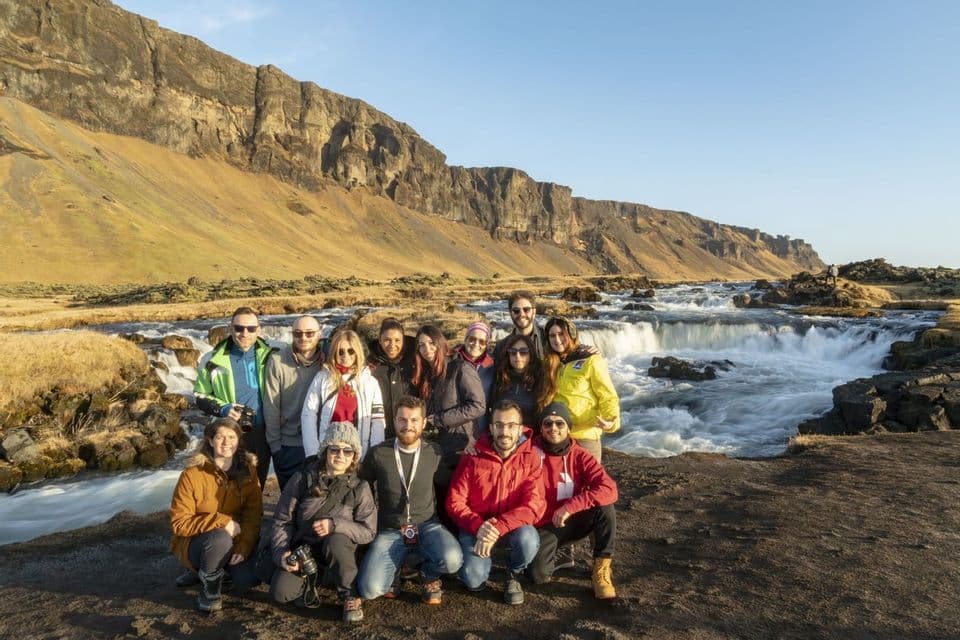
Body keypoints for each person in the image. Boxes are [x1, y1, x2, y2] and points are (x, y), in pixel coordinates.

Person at [265, 422, 376, 623]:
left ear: (354, 456)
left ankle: (349, 593)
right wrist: (281, 553)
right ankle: (315, 579)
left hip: (338, 551)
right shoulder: (302, 479)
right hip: (305, 550)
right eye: (334, 449)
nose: (340, 455)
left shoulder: (360, 487)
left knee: (336, 540)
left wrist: (335, 525)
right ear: (325, 451)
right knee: (280, 592)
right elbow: (282, 521)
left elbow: (368, 531)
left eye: (348, 450)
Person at [358, 396, 463, 605]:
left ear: (423, 423)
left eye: (415, 420)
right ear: (394, 421)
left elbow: (450, 483)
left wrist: (473, 463)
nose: (408, 426)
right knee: (370, 589)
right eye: (402, 420)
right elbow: (362, 487)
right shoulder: (379, 453)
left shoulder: (434, 452)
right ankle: (395, 570)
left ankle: (428, 573)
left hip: (427, 526)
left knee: (453, 561)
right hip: (391, 530)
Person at [446, 400, 545, 605]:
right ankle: (481, 564)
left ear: (520, 428)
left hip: (510, 526)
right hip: (476, 525)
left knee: (529, 540)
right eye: (499, 425)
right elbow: (454, 502)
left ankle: (513, 572)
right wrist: (478, 526)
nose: (504, 431)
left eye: (511, 426)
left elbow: (533, 505)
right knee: (473, 579)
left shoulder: (531, 458)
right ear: (491, 427)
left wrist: (497, 527)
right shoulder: (473, 456)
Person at [170, 417, 262, 612]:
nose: (226, 442)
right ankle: (209, 589)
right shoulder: (192, 474)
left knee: (247, 580)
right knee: (220, 538)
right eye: (220, 437)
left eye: (231, 437)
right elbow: (179, 523)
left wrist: (244, 547)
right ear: (210, 441)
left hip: (236, 539)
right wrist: (221, 521)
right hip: (197, 543)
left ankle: (215, 570)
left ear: (239, 441)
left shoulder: (249, 471)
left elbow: (253, 515)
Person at [529, 402, 619, 599]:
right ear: (541, 427)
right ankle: (558, 551)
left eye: (560, 424)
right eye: (548, 423)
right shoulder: (528, 451)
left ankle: (601, 567)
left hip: (573, 518)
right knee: (538, 576)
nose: (553, 428)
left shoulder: (580, 455)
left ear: (568, 428)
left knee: (604, 508)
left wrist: (571, 506)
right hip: (544, 524)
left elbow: (609, 488)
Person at [194, 306, 276, 489]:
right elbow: (199, 395)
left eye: (251, 328)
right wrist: (224, 409)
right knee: (226, 482)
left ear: (259, 329)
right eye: (239, 328)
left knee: (257, 482)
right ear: (231, 328)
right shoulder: (212, 359)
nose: (244, 333)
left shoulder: (272, 354)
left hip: (263, 431)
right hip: (228, 433)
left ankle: (253, 516)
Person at [540, 316, 620, 462]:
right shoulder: (549, 362)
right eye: (552, 335)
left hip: (585, 435)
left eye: (561, 334)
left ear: (572, 335)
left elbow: (607, 395)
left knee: (588, 482)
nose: (557, 340)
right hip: (556, 434)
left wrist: (611, 421)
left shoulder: (590, 360)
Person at [301, 329, 385, 458]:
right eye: (340, 352)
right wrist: (313, 453)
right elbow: (308, 414)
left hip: (358, 453)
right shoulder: (322, 378)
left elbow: (378, 421)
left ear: (357, 352)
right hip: (330, 452)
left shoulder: (370, 382)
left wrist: (374, 456)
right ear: (334, 353)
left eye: (350, 351)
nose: (345, 356)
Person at [264, 315, 325, 491]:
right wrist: (276, 448)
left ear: (319, 334)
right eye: (298, 333)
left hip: (320, 442)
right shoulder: (277, 361)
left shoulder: (329, 360)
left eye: (309, 333)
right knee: (289, 503)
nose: (303, 338)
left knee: (316, 502)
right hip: (289, 444)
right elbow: (271, 406)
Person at [411, 325, 485, 468]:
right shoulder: (427, 374)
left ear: (440, 342)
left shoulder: (460, 368)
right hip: (436, 446)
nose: (427, 349)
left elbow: (478, 405)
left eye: (432, 343)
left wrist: (440, 419)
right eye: (421, 345)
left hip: (459, 445)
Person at [367, 318, 417, 439]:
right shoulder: (370, 364)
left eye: (397, 340)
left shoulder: (415, 360)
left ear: (403, 340)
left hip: (411, 431)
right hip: (379, 432)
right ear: (380, 340)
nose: (392, 345)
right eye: (387, 340)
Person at [489, 333, 542, 426]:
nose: (517, 356)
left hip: (530, 434)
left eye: (523, 352)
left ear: (531, 354)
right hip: (502, 432)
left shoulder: (540, 378)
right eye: (513, 352)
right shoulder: (500, 377)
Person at [453, 321, 495, 431]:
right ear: (465, 339)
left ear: (487, 345)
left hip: (481, 429)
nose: (476, 344)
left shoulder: (492, 367)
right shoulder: (451, 361)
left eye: (482, 341)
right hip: (454, 429)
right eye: (472, 339)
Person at [493, 290, 546, 363]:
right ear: (511, 313)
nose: (522, 314)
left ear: (534, 312)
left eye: (526, 309)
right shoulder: (501, 348)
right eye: (516, 311)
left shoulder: (547, 339)